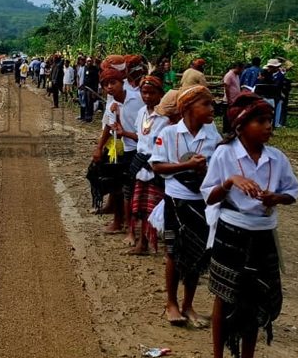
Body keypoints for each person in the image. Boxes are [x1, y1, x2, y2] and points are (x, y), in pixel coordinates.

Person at [202, 93, 298, 358]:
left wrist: (275, 197)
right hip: (232, 231)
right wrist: (230, 181)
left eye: (269, 120)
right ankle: (218, 355)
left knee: (255, 298)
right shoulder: (224, 154)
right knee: (224, 295)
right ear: (241, 126)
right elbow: (209, 196)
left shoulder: (277, 158)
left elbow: (292, 192)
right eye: (260, 120)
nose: (268, 126)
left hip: (263, 232)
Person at [150, 85, 221, 327]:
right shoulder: (169, 134)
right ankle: (171, 303)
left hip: (202, 201)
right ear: (189, 108)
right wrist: (188, 166)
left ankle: (188, 304)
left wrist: (205, 170)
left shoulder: (213, 135)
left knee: (197, 253)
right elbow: (157, 166)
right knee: (173, 252)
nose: (212, 109)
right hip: (176, 201)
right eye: (206, 105)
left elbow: (220, 166)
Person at [93, 64, 144, 239]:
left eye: (112, 82)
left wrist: (126, 133)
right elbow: (108, 126)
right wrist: (99, 148)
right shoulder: (112, 104)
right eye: (106, 84)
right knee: (119, 186)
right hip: (124, 148)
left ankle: (130, 225)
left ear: (122, 82)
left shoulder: (138, 99)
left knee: (132, 189)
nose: (109, 87)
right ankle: (120, 221)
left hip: (141, 149)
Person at [129, 74, 168, 255]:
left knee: (155, 207)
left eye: (151, 93)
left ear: (160, 94)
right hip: (140, 167)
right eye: (144, 92)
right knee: (141, 207)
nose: (147, 97)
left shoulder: (166, 118)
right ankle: (142, 243)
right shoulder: (141, 113)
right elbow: (140, 137)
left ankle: (156, 243)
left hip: (156, 168)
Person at [222, 62, 245, 133]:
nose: (242, 71)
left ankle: (232, 128)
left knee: (233, 114)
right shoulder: (229, 75)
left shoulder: (237, 75)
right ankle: (226, 129)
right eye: (241, 69)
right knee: (227, 115)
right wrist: (229, 99)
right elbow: (226, 87)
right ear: (238, 68)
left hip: (235, 99)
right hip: (229, 99)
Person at [81, 58, 100, 122]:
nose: (89, 62)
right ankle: (85, 116)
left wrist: (94, 91)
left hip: (91, 89)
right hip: (86, 88)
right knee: (86, 102)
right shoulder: (85, 68)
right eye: (87, 61)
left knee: (90, 103)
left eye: (90, 61)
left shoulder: (94, 69)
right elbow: (84, 78)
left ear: (92, 62)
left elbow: (96, 81)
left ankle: (89, 117)